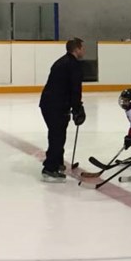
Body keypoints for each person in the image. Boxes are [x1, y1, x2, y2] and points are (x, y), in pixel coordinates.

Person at [39, 38, 86, 180]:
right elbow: (74, 89)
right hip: (55, 106)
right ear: (76, 49)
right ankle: (50, 168)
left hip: (51, 104)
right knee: (57, 136)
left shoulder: (62, 61)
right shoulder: (72, 65)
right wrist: (77, 107)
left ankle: (57, 162)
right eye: (82, 48)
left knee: (58, 134)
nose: (84, 51)